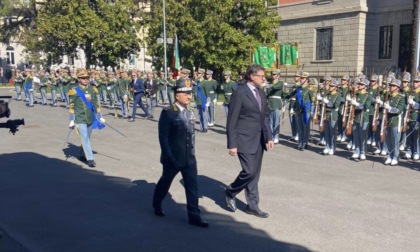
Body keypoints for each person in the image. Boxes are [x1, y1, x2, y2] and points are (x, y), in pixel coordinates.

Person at [152, 78, 209, 228]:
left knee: (192, 186)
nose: (189, 96)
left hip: (189, 158)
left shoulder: (190, 112)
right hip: (173, 158)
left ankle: (194, 216)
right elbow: (163, 136)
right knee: (165, 182)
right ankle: (157, 203)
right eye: (185, 94)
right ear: (177, 95)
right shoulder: (169, 112)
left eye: (190, 93)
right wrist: (168, 156)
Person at [225, 64, 274, 218]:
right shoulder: (240, 93)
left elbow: (264, 116)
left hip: (259, 139)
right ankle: (231, 191)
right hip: (244, 139)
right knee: (249, 171)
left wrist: (269, 136)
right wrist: (232, 144)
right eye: (261, 76)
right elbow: (232, 120)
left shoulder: (261, 93)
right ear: (252, 77)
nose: (263, 78)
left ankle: (252, 205)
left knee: (255, 174)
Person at [68, 68, 106, 168]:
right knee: (84, 137)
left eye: (87, 78)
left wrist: (100, 116)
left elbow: (95, 105)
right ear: (79, 79)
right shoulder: (74, 91)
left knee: (87, 138)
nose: (86, 79)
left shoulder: (92, 89)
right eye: (83, 78)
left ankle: (81, 154)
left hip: (90, 118)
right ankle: (90, 159)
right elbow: (72, 106)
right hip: (80, 118)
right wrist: (72, 119)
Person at [266, 69, 284, 144]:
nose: (273, 76)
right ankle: (270, 137)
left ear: (278, 76)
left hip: (276, 104)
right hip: (270, 104)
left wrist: (268, 85)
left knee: (276, 122)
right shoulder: (270, 83)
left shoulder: (280, 83)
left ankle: (276, 137)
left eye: (274, 74)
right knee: (270, 122)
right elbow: (268, 94)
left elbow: (276, 87)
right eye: (272, 74)